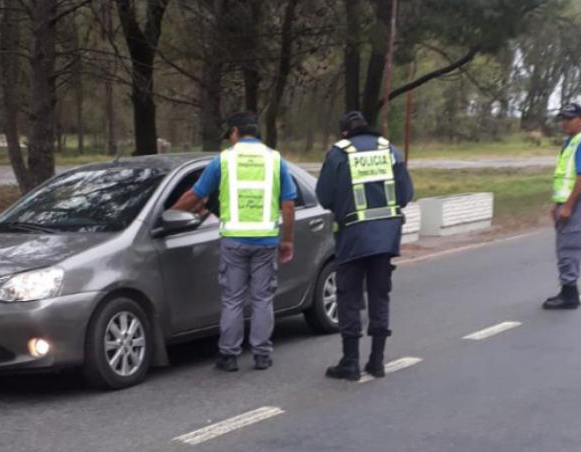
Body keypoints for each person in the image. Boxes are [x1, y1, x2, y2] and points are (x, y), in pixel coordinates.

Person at [172, 111, 296, 371]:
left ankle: (229, 356)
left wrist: (172, 211)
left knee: (233, 299)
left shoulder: (224, 160)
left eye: (230, 134)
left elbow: (196, 194)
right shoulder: (275, 160)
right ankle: (262, 355)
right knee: (262, 299)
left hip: (234, 242)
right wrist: (287, 241)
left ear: (237, 132)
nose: (229, 139)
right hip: (265, 241)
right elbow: (288, 204)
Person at [316, 111, 414, 381]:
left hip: (353, 237)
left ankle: (350, 362)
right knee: (380, 295)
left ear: (345, 132)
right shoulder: (390, 150)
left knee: (348, 296)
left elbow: (323, 196)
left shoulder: (338, 153)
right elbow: (406, 195)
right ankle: (377, 361)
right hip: (387, 238)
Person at [543, 103, 581, 310]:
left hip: (576, 204)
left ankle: (570, 294)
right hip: (566, 202)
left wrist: (568, 206)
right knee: (563, 248)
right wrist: (556, 203)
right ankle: (566, 290)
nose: (565, 122)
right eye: (563, 118)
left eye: (569, 118)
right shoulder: (570, 142)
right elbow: (563, 178)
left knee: (570, 249)